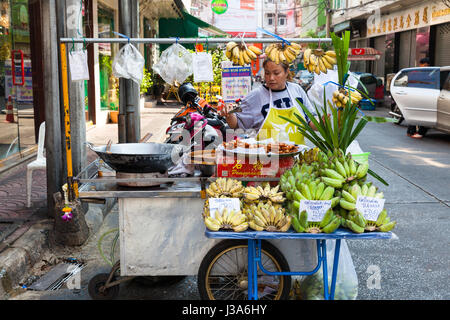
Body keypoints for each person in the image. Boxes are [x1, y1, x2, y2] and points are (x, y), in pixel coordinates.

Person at [221, 59, 318, 145]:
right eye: (267, 73)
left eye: (276, 73)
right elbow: (237, 125)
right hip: (267, 159)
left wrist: (321, 123)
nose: (271, 78)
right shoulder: (256, 95)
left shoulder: (297, 90)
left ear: (287, 72)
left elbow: (310, 121)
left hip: (297, 157)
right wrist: (229, 115)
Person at [407, 57, 430, 139]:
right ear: (420, 64)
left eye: (427, 65)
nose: (426, 67)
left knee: (422, 114)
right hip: (415, 96)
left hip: (424, 96)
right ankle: (412, 131)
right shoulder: (413, 73)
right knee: (414, 114)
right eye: (425, 65)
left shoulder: (429, 73)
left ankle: (415, 132)